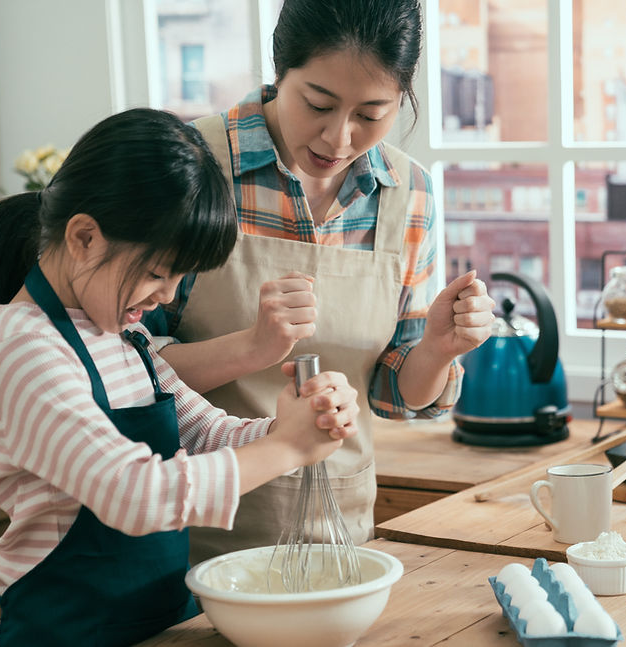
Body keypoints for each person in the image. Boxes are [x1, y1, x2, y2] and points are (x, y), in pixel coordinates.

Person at [0, 108, 359, 647]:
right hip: (67, 631)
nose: (167, 296)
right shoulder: (25, 348)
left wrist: (289, 426)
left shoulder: (121, 336)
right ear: (84, 237)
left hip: (161, 624)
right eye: (157, 273)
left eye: (180, 277)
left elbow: (207, 435)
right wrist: (289, 450)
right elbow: (133, 493)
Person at [144, 0, 496, 563]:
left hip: (338, 532)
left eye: (371, 113)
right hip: (190, 530)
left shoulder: (410, 194)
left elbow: (392, 394)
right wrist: (251, 348)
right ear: (279, 70)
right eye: (318, 104)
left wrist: (436, 348)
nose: (338, 138)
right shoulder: (192, 167)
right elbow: (122, 371)